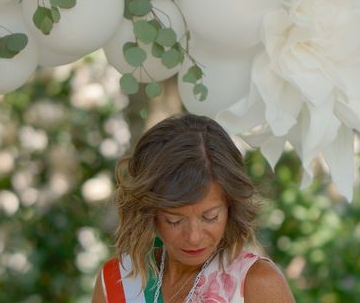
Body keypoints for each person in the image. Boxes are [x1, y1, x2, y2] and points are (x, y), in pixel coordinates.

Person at [92, 113, 295, 303]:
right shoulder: (119, 279)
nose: (193, 237)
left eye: (210, 217)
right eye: (174, 220)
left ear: (230, 208)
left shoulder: (257, 283)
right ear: (149, 212)